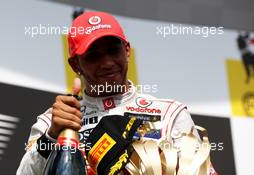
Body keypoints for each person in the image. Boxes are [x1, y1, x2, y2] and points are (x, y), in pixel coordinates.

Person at [17, 11, 216, 175]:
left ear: (127, 51)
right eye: (93, 55)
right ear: (75, 64)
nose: (107, 63)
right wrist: (51, 137)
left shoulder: (169, 113)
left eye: (114, 51)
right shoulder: (53, 122)